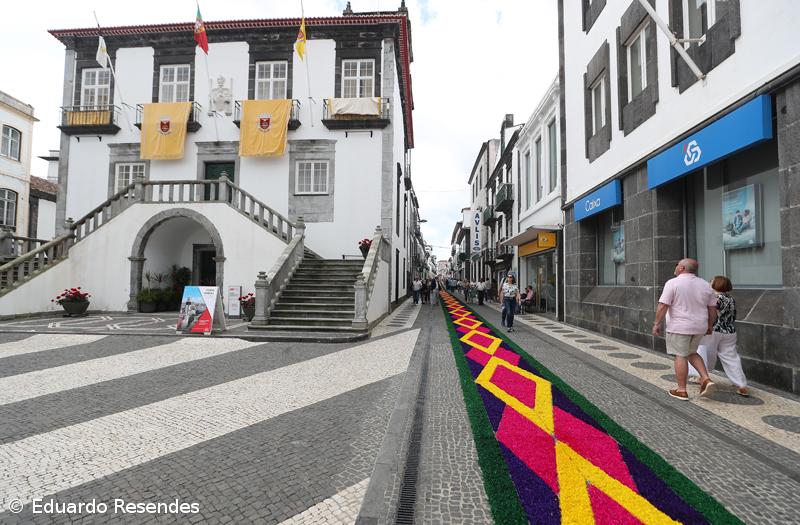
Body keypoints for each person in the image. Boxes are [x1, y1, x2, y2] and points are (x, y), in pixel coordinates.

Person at [652, 258, 716, 401]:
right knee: (692, 352)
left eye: (677, 265)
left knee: (680, 355)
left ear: (681, 268)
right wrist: (710, 325)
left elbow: (663, 305)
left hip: (680, 326)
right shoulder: (706, 285)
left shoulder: (673, 283)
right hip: (699, 326)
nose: (675, 268)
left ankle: (681, 390)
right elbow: (712, 309)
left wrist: (657, 323)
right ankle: (705, 379)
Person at [688, 276, 749, 396]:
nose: (709, 283)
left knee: (705, 353)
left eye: (711, 281)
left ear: (717, 284)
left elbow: (710, 313)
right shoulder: (731, 299)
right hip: (730, 331)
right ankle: (741, 384)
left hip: (714, 330)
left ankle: (702, 377)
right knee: (731, 357)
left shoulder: (715, 298)